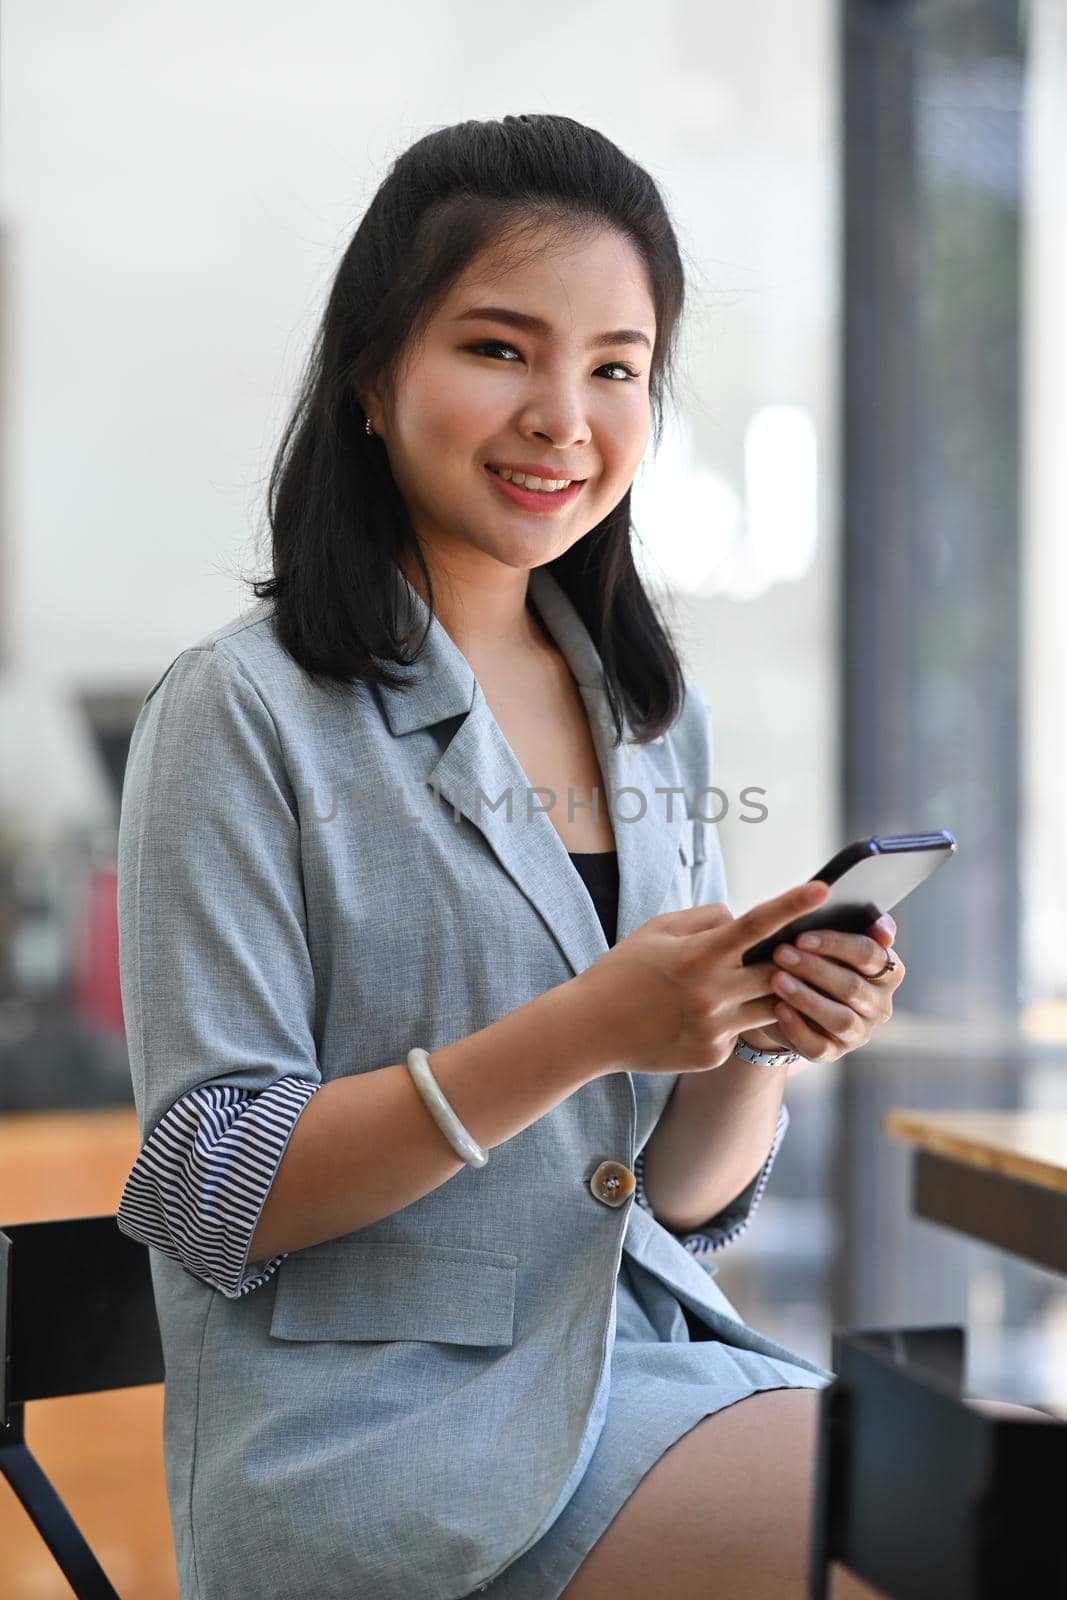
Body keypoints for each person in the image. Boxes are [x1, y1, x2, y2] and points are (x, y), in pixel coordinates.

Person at [115, 113, 1040, 1600]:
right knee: (964, 1526)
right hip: (374, 1447)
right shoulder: (241, 713)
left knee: (1009, 1494)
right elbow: (208, 1186)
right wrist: (585, 1029)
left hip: (648, 1371)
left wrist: (764, 1041)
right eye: (499, 349)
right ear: (371, 376)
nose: (565, 414)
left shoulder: (649, 714)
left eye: (615, 367)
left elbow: (667, 1198)